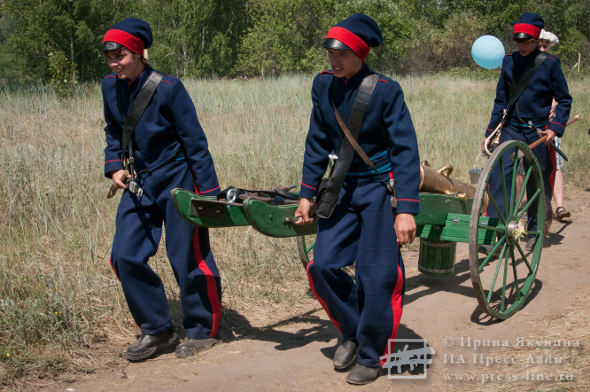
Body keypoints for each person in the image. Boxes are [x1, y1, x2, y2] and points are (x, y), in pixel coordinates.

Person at [294, 13, 420, 385]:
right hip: (341, 188)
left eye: (343, 53)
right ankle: (352, 329)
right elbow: (317, 141)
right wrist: (305, 194)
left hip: (379, 190)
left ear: (361, 53)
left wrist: (406, 211)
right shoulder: (322, 86)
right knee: (322, 266)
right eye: (331, 51)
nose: (334, 60)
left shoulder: (385, 90)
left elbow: (405, 151)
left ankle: (373, 352)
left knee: (378, 276)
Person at [101, 17, 222, 362]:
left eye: (120, 56)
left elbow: (196, 144)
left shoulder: (169, 88)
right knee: (124, 255)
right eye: (110, 58)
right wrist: (114, 167)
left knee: (186, 255)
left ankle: (202, 329)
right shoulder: (110, 86)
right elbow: (113, 132)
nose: (114, 64)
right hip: (139, 183)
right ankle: (156, 328)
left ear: (139, 53)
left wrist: (207, 193)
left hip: (178, 180)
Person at [483, 13, 572, 251]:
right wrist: (491, 130)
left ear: (536, 39)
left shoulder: (550, 64)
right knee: (500, 179)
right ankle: (493, 233)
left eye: (527, 42)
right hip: (512, 128)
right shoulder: (509, 61)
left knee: (538, 181)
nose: (522, 46)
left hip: (538, 131)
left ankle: (534, 230)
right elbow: (500, 100)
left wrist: (555, 128)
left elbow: (564, 100)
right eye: (519, 42)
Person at [538, 29, 571, 220]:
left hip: (548, 126)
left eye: (545, 45)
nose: (542, 48)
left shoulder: (551, 65)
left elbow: (561, 94)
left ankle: (559, 206)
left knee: (555, 166)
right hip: (529, 125)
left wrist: (553, 110)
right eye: (539, 44)